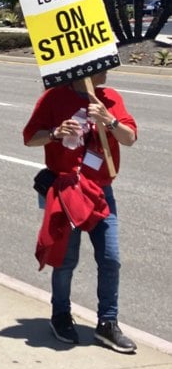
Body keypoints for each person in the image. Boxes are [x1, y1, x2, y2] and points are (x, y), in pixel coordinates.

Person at [22, 70, 138, 353]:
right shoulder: (53, 98)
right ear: (83, 69)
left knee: (110, 258)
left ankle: (107, 323)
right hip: (66, 188)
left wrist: (108, 121)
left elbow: (130, 137)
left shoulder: (109, 98)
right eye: (99, 65)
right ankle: (60, 315)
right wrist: (54, 134)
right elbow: (29, 137)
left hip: (100, 190)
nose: (106, 70)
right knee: (65, 259)